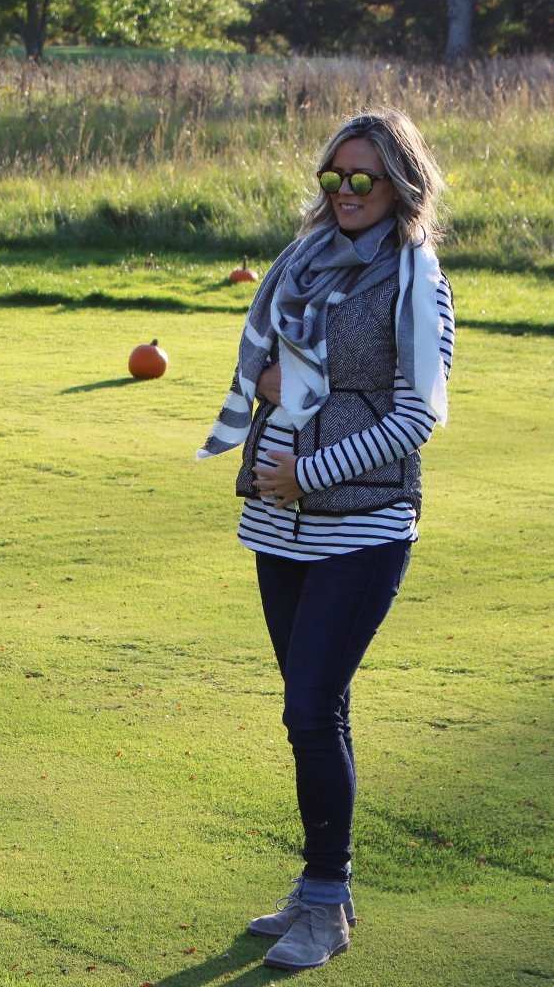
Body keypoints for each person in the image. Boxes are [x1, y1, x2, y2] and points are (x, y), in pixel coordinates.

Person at [197, 107, 454, 971]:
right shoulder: (300, 260)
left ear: (398, 184)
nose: (345, 191)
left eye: (362, 177)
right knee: (313, 711)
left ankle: (326, 901)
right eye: (333, 176)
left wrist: (307, 470)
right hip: (276, 523)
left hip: (361, 525)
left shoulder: (415, 278)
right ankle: (316, 892)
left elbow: (417, 417)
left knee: (309, 707)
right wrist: (273, 390)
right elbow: (269, 372)